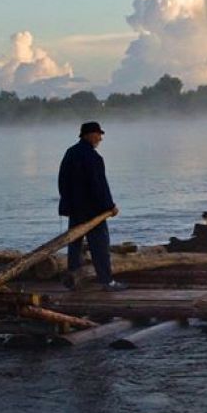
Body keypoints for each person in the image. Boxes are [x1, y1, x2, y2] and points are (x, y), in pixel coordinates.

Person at [58, 121, 120, 289]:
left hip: (75, 209)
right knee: (100, 246)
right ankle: (107, 281)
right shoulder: (93, 158)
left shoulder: (70, 153)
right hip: (93, 211)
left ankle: (74, 278)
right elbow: (99, 186)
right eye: (98, 134)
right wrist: (110, 206)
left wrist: (67, 203)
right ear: (90, 135)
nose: (100, 138)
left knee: (75, 244)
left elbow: (62, 182)